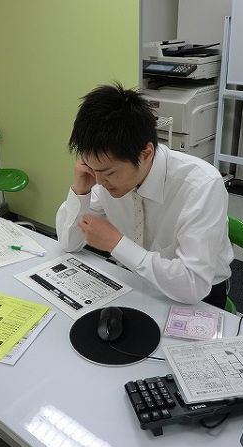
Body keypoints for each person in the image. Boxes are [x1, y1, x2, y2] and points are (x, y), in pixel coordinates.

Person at [56, 82, 233, 307]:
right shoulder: (102, 175)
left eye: (108, 173)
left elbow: (193, 285)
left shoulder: (202, 185)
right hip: (132, 277)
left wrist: (115, 243)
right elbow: (69, 243)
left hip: (198, 294)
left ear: (146, 153)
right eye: (92, 169)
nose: (99, 182)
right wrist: (80, 191)